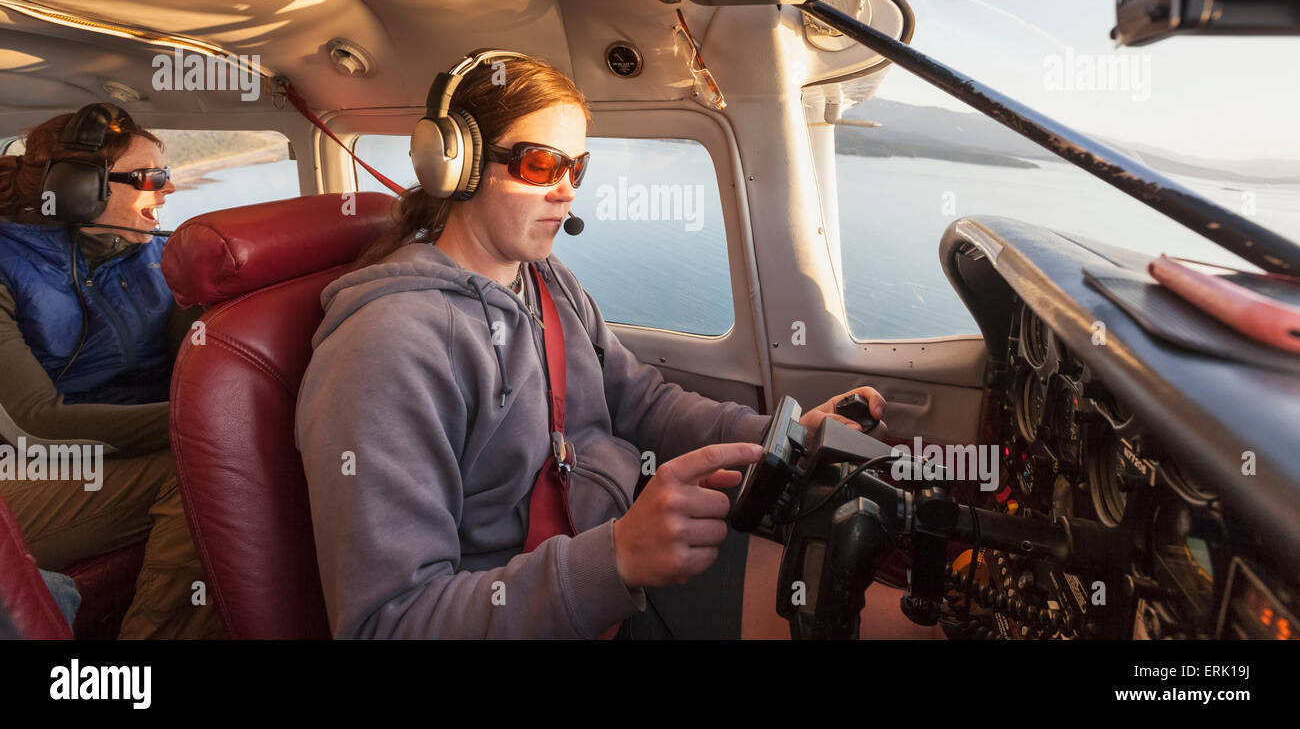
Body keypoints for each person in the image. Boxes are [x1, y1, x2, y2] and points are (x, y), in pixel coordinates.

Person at [295, 55, 886, 638]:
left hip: (615, 549)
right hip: (558, 601)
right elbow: (389, 622)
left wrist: (779, 439)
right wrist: (618, 558)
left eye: (576, 168)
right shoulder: (384, 347)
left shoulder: (545, 280)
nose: (565, 193)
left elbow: (641, 403)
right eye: (538, 165)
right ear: (457, 165)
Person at [0, 106, 225, 639]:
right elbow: (35, 425)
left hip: (117, 452)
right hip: (23, 470)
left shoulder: (155, 255)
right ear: (80, 189)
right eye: (150, 177)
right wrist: (202, 423)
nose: (167, 191)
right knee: (202, 469)